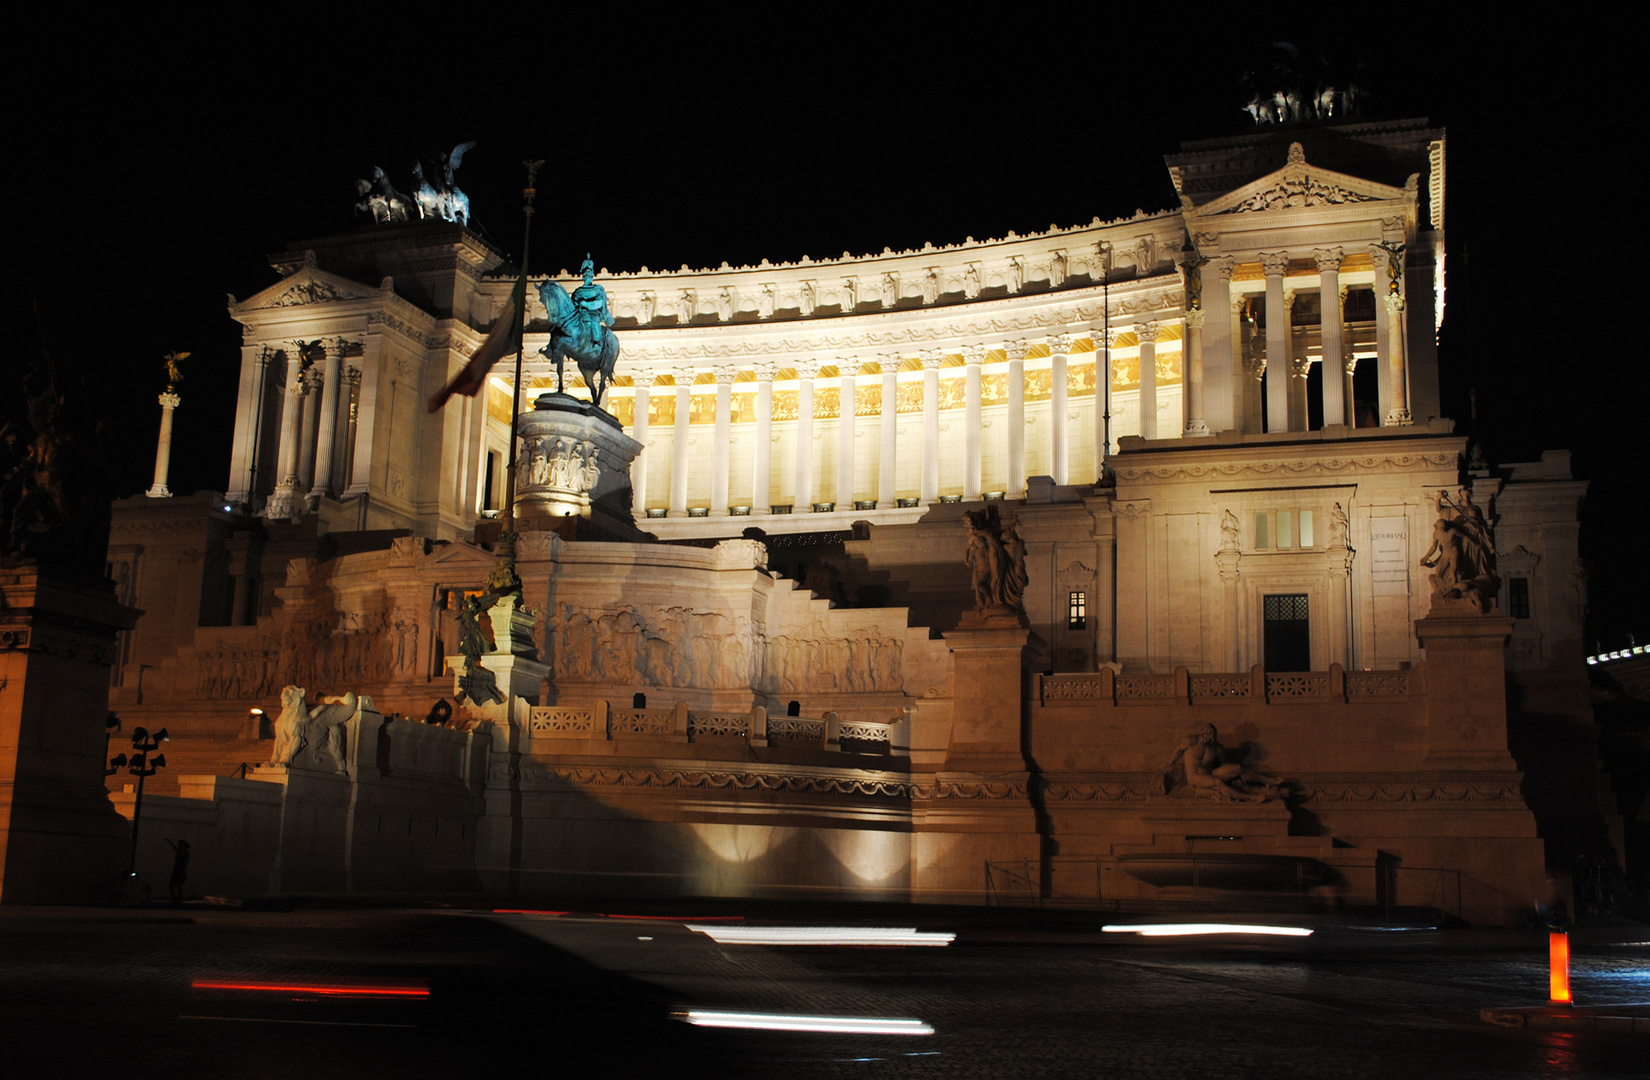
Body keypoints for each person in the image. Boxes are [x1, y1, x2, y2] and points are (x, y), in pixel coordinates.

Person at [164, 838, 190, 903]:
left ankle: (178, 899)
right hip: (177, 871)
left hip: (179, 871)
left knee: (177, 886)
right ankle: (177, 899)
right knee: (176, 886)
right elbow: (175, 848)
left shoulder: (185, 853)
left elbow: (184, 864)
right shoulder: (183, 853)